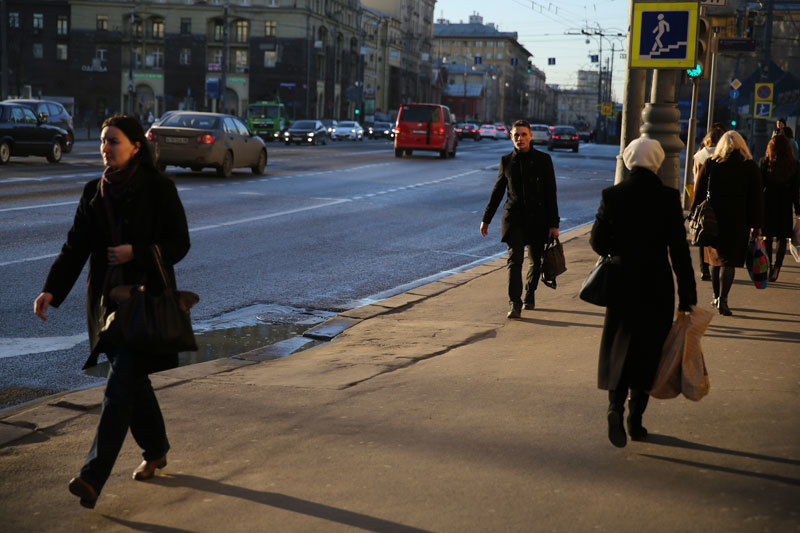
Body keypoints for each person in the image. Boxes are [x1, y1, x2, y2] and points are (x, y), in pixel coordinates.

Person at [33, 115, 191, 509]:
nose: (106, 147)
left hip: (144, 304)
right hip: (107, 305)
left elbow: (180, 242)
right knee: (131, 383)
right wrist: (50, 290)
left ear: (136, 146)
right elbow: (75, 248)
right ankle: (156, 449)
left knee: (119, 386)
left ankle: (92, 476)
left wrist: (136, 252)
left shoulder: (159, 188)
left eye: (114, 141)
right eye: (104, 140)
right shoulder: (94, 192)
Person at [590, 137, 697, 448]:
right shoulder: (668, 198)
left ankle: (614, 408)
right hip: (657, 284)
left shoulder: (612, 195)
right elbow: (679, 250)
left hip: (622, 283)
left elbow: (598, 243)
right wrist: (688, 296)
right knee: (649, 351)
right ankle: (635, 423)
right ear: (657, 162)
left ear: (627, 160)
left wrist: (617, 246)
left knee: (619, 347)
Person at [480, 120, 560, 318]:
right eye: (516, 135)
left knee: (536, 261)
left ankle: (530, 292)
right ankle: (514, 303)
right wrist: (486, 218)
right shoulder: (507, 161)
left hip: (538, 219)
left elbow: (551, 193)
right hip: (514, 218)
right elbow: (498, 191)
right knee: (514, 261)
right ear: (511, 137)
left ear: (530, 136)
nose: (520, 138)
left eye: (523, 134)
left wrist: (553, 224)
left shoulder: (543, 160)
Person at [692, 131, 764, 316]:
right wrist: (756, 225)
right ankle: (723, 299)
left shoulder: (711, 164)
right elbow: (757, 198)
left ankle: (716, 297)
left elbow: (699, 191)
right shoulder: (750, 166)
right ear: (742, 146)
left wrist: (694, 213)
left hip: (712, 220)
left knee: (715, 260)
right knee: (729, 261)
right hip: (739, 221)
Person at [759, 134, 800, 282]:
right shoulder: (794, 165)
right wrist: (798, 210)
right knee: (782, 238)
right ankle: (777, 267)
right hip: (785, 206)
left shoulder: (764, 163)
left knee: (767, 236)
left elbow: (760, 187)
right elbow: (796, 191)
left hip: (768, 204)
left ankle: (769, 264)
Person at [692, 124, 726, 281]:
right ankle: (715, 265)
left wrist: (694, 204)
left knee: (703, 231)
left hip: (703, 199)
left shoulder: (701, 155)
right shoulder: (725, 155)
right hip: (719, 199)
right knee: (717, 233)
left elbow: (696, 176)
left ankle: (703, 269)